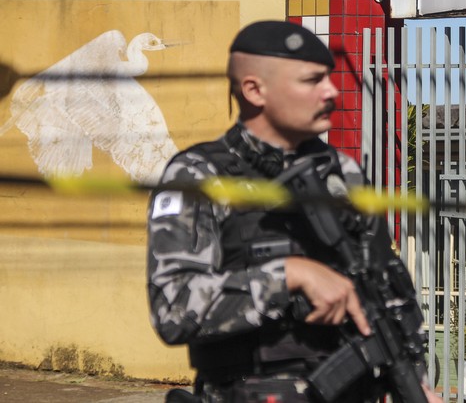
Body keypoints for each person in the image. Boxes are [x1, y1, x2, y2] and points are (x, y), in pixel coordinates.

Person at [146, 20, 439, 403]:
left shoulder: (343, 174)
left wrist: (417, 384)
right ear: (255, 90)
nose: (331, 91)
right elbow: (172, 309)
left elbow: (391, 291)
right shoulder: (200, 174)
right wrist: (288, 277)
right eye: (312, 80)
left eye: (328, 78)